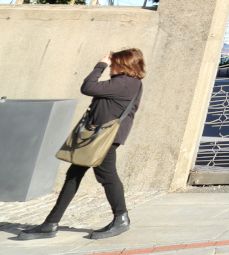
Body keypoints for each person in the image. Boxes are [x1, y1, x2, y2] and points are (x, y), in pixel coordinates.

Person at [17, 48, 145, 241]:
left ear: (123, 65)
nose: (111, 66)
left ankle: (121, 218)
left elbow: (88, 87)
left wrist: (100, 64)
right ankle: (51, 223)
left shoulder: (124, 83)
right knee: (75, 175)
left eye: (114, 63)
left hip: (104, 138)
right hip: (97, 136)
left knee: (107, 176)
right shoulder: (128, 83)